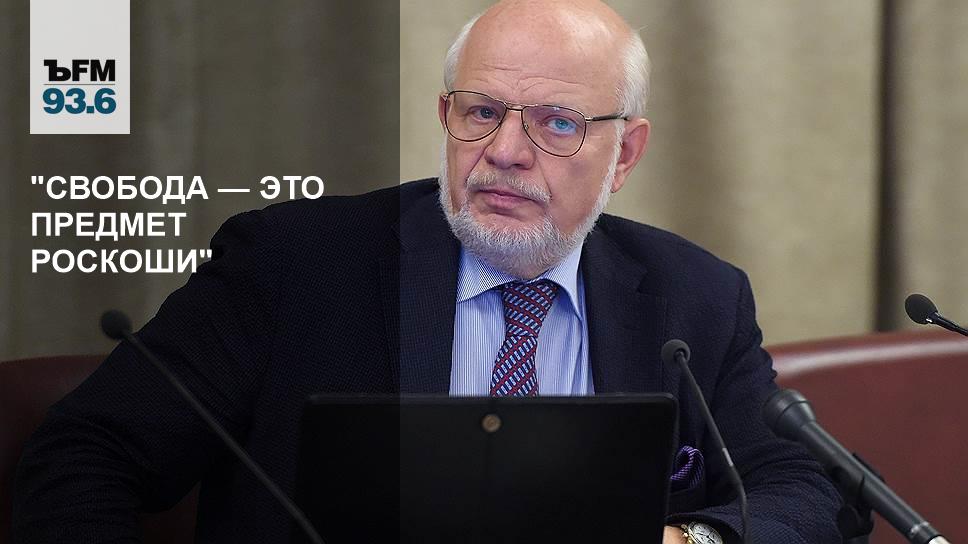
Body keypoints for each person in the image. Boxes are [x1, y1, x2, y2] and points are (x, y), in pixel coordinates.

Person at [12, 1, 841, 542]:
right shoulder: (292, 263)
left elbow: (802, 491)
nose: (505, 152)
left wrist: (692, 539)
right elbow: (86, 454)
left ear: (624, 153)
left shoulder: (696, 294)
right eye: (482, 111)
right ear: (447, 114)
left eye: (556, 124)